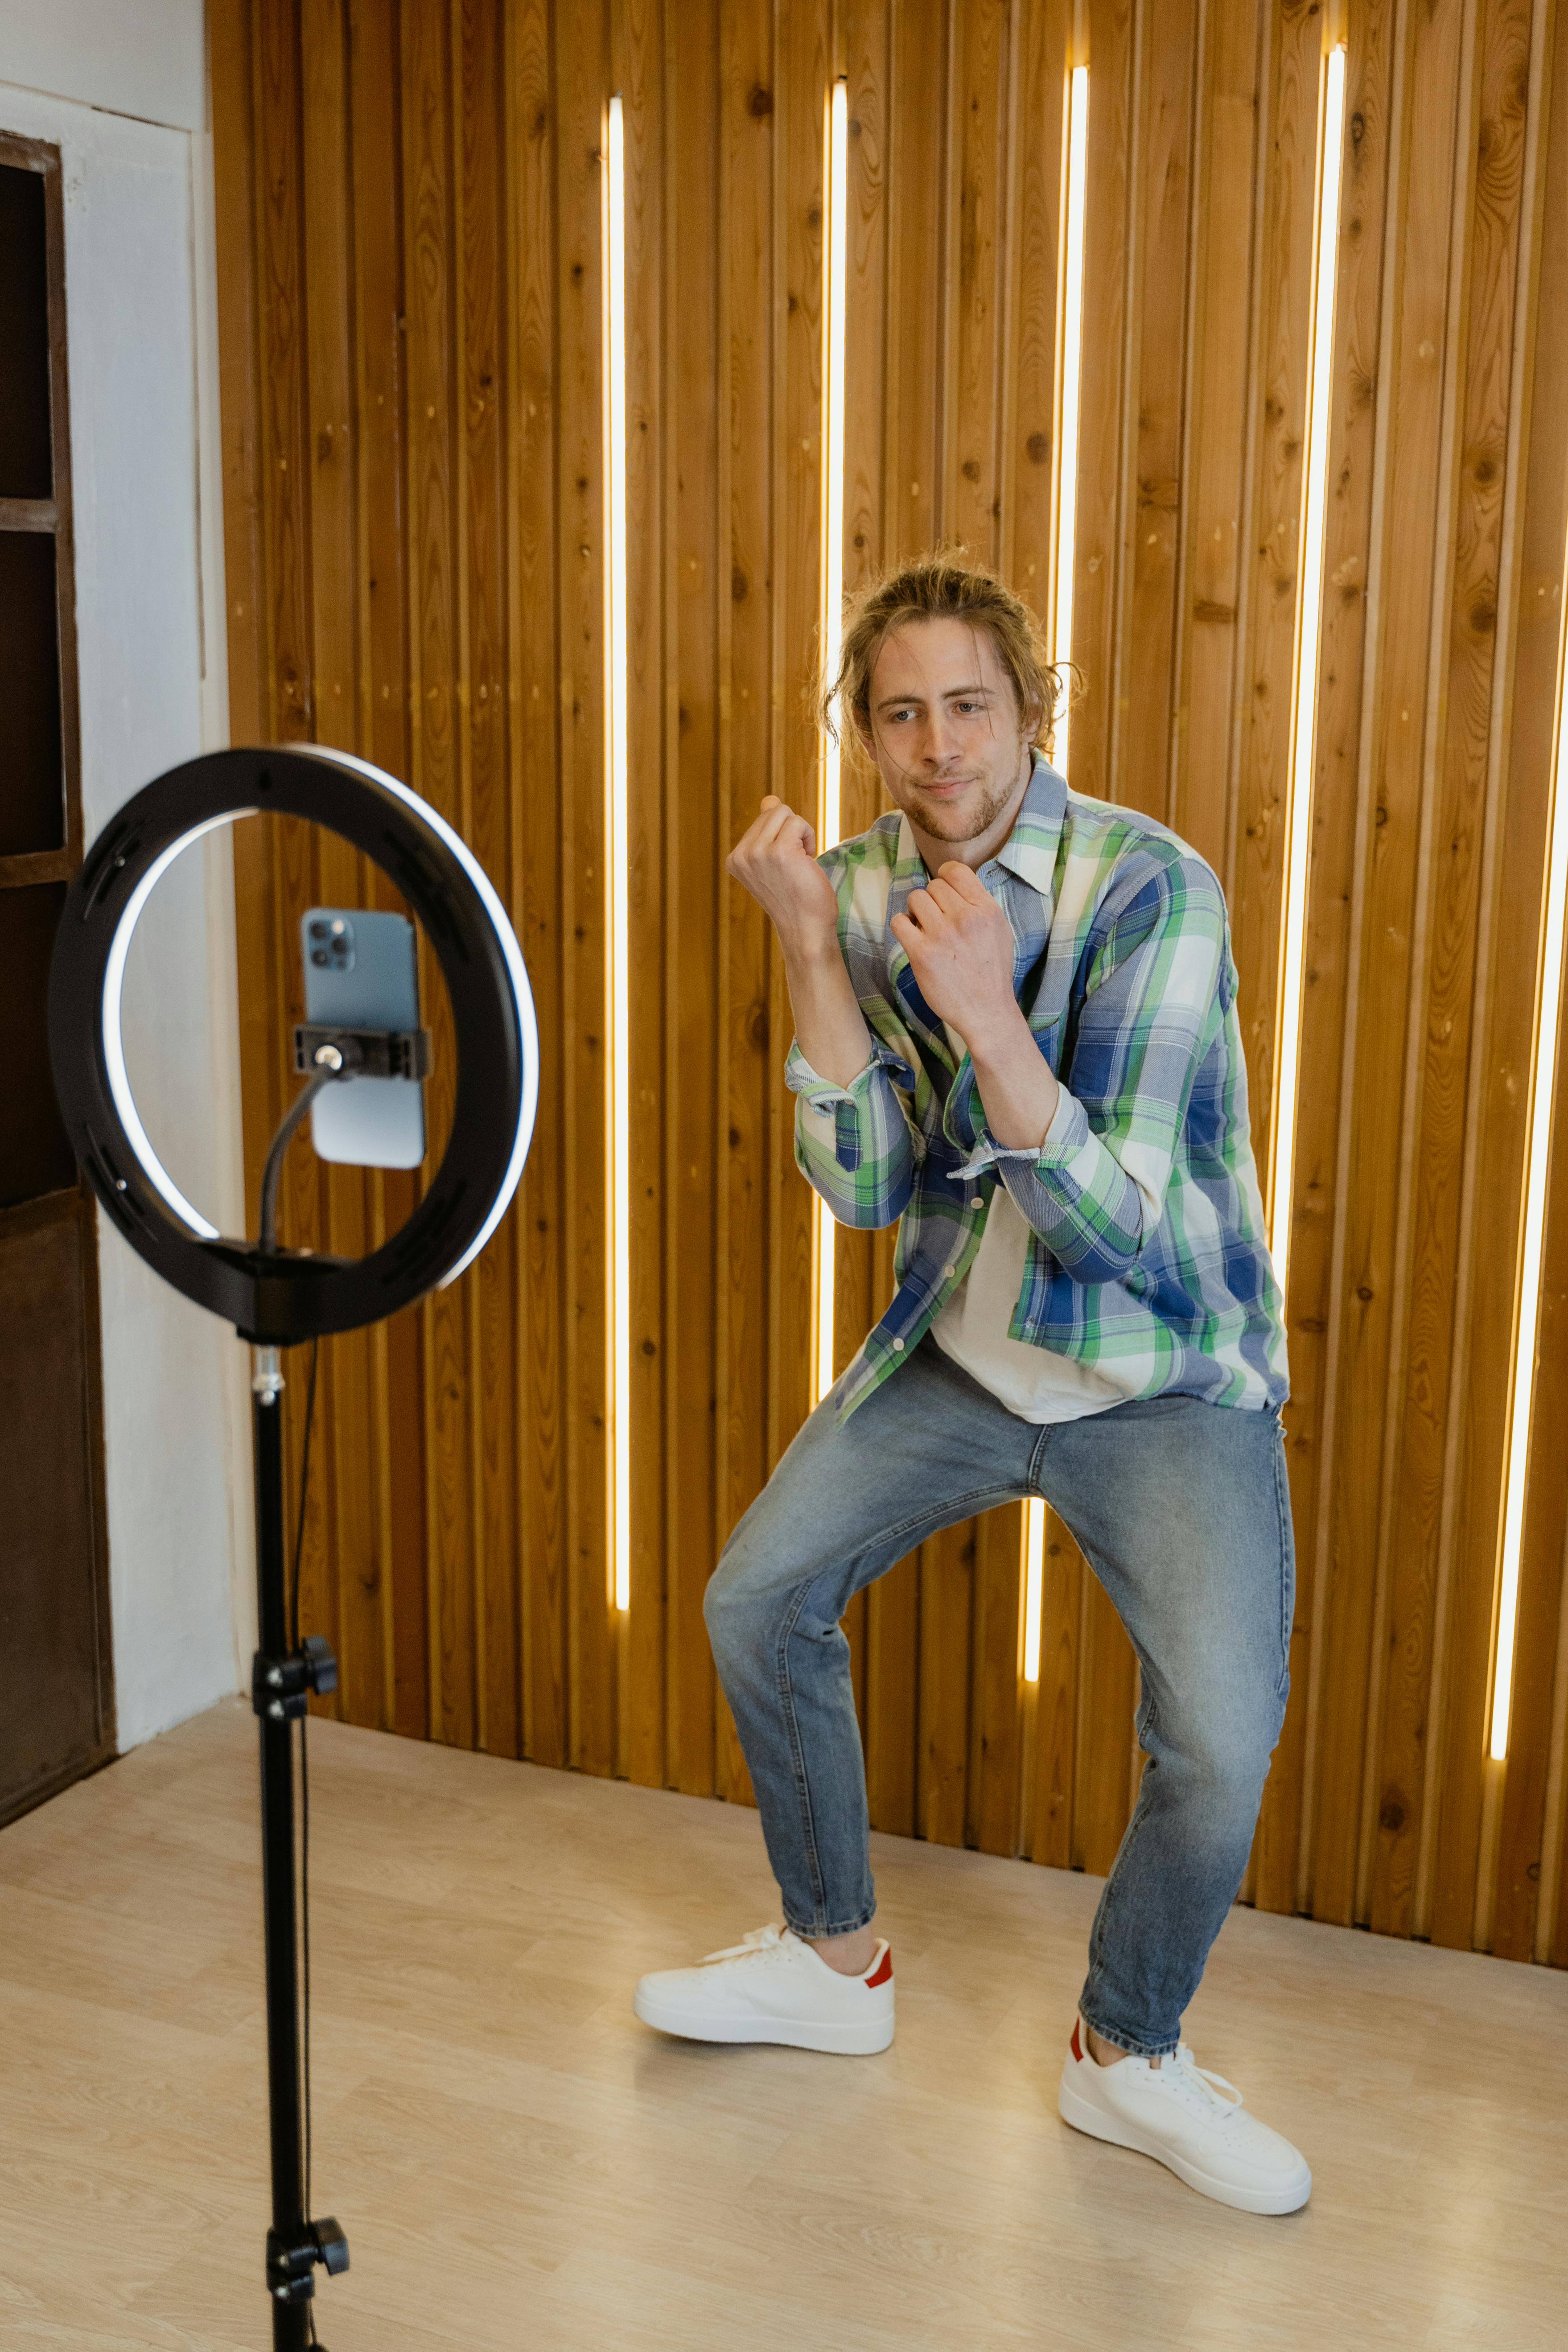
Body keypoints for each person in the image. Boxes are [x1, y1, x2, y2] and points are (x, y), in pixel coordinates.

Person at [632, 553, 1309, 2216]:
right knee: (755, 1597)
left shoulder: (1155, 890)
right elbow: (865, 1191)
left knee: (1219, 1742)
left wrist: (991, 1015)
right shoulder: (857, 888)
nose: (939, 746)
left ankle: (1126, 2053)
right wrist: (807, 949)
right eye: (900, 712)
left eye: (970, 706)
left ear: (1032, 710)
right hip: (960, 1354)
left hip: (1158, 1373)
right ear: (865, 732)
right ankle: (833, 1958)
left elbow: (1128, 1234)